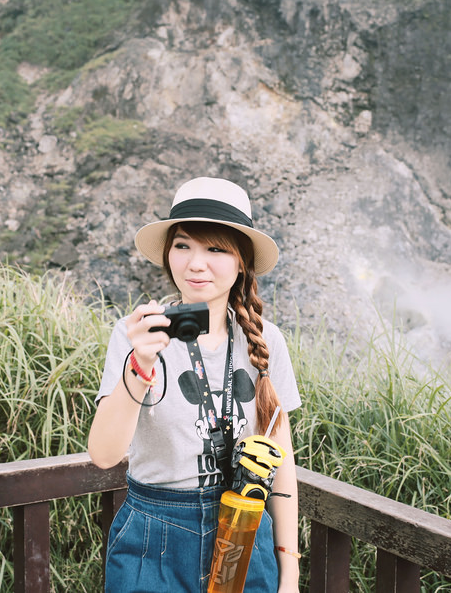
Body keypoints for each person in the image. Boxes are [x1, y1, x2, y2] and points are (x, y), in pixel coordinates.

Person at [88, 176, 301, 593]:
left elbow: (283, 462)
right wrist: (141, 364)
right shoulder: (137, 334)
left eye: (216, 248)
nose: (195, 263)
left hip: (246, 533)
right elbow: (104, 454)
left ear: (241, 261)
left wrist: (289, 573)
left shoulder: (266, 340)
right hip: (155, 539)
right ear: (168, 254)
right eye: (183, 245)